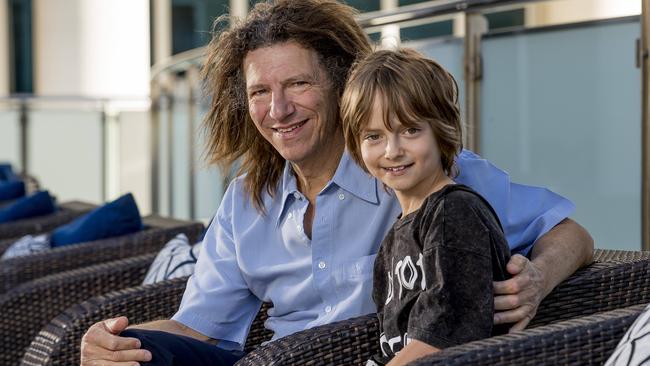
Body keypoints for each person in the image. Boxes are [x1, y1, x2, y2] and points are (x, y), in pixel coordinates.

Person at [80, 1, 594, 365]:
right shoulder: (246, 199)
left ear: (341, 86)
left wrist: (538, 279)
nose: (277, 110)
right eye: (261, 91)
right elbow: (198, 330)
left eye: (298, 84)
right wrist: (113, 341)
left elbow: (572, 234)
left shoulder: (419, 175)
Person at [341, 47, 512, 366]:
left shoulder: (453, 213)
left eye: (410, 130)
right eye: (374, 136)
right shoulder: (394, 236)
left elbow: (446, 335)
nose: (392, 150)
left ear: (441, 130)